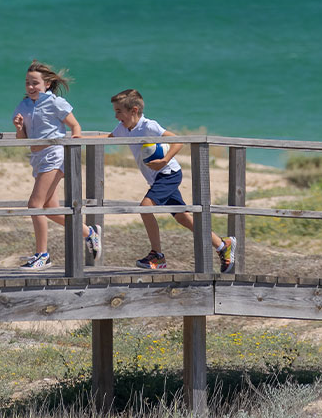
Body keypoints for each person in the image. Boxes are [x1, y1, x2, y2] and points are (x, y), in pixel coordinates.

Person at [105, 89, 236, 272]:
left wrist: (164, 160)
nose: (116, 116)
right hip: (157, 178)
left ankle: (157, 256)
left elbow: (178, 141)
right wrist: (76, 137)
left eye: (119, 111)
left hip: (168, 174)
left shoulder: (149, 126)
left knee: (145, 207)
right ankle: (223, 245)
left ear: (134, 110)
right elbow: (105, 138)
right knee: (184, 218)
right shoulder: (123, 129)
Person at [13, 62, 99, 269]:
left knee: (34, 205)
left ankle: (42, 255)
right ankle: (90, 233)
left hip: (54, 155)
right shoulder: (24, 106)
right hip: (37, 157)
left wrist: (76, 139)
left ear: (48, 84)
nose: (31, 87)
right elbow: (23, 140)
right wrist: (18, 128)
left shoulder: (55, 102)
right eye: (27, 83)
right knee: (50, 210)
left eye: (35, 83)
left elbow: (74, 125)